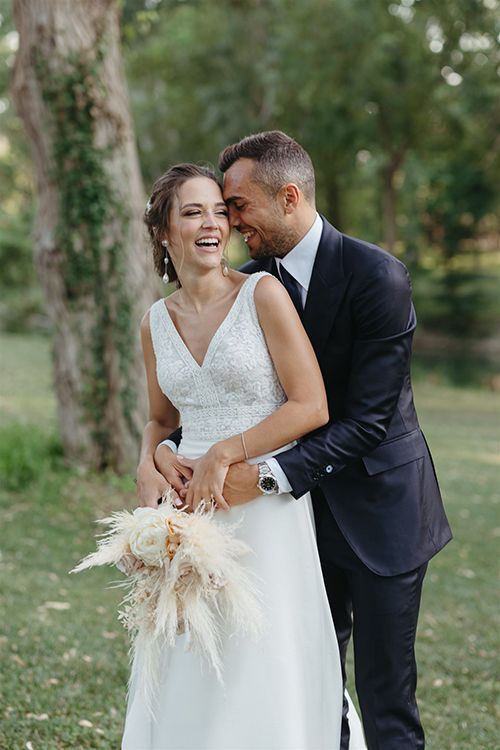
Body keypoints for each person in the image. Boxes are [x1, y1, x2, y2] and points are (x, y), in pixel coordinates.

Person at [155, 133, 453, 750]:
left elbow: (367, 422)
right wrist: (163, 451)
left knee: (385, 696)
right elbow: (233, 395)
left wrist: (263, 474)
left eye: (237, 205)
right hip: (297, 524)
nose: (229, 221)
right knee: (313, 687)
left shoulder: (378, 276)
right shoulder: (254, 283)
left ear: (288, 197)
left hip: (380, 516)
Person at [124, 163, 367, 749]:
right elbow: (162, 418)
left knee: (263, 649)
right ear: (163, 231)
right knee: (191, 651)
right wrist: (146, 460)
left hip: (262, 502)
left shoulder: (263, 294)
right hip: (190, 511)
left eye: (219, 211)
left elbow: (310, 405)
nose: (212, 223)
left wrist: (225, 456)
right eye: (192, 212)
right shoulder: (155, 321)